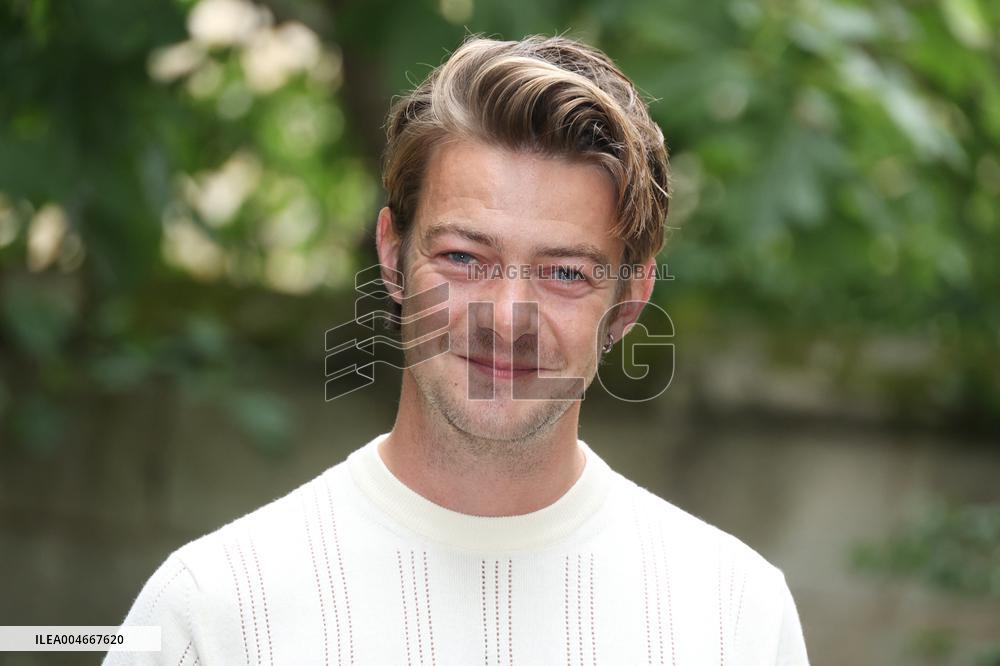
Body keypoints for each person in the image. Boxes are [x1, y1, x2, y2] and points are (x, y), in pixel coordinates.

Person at [106, 34, 811, 665]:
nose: (507, 318)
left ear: (628, 300)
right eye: (465, 256)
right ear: (391, 256)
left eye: (565, 271)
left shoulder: (734, 616)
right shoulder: (215, 613)